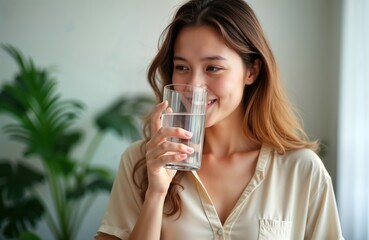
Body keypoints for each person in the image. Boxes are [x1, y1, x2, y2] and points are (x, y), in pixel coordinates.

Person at [96, 0, 344, 239]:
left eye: (213, 68)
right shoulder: (141, 162)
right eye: (182, 67)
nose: (194, 86)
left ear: (252, 71)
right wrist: (156, 193)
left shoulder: (301, 170)